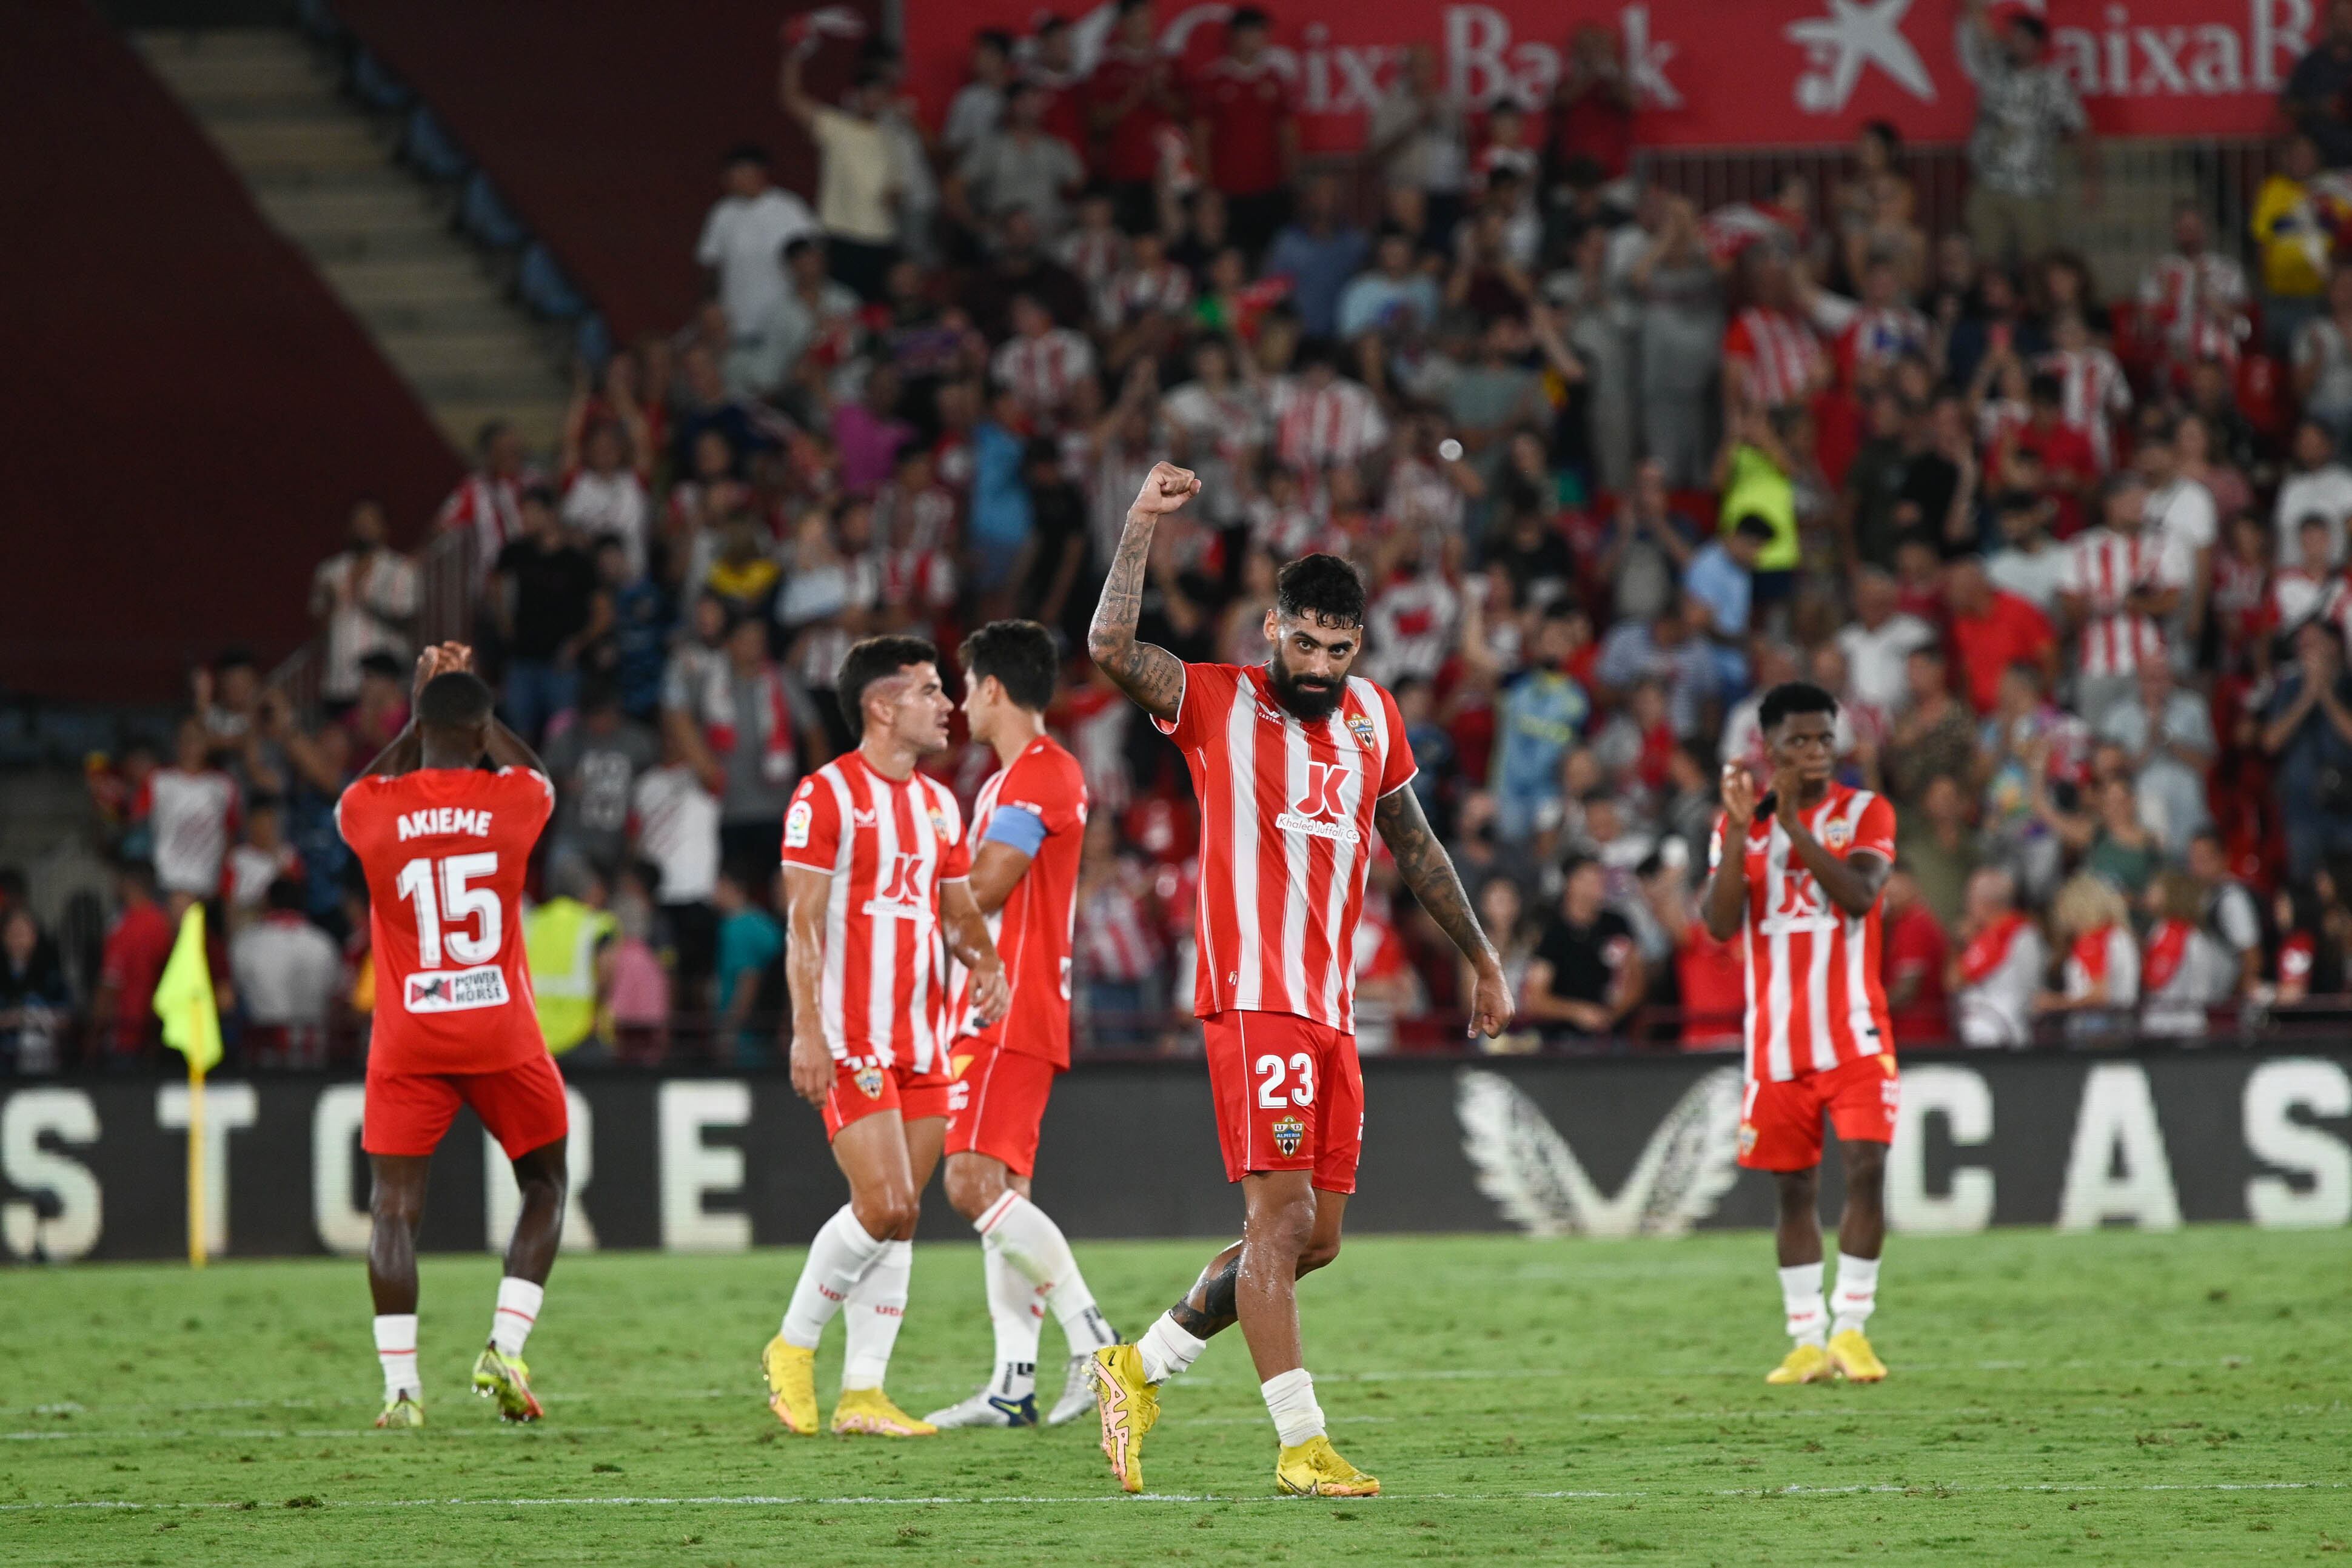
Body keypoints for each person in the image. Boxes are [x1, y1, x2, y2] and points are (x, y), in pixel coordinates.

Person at [1085, 464, 1512, 1497]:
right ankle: (1297, 1441)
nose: (1318, 663)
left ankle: (1136, 1365)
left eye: (1336, 647)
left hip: (1329, 1014)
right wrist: (1140, 523)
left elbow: (1412, 844)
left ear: (1356, 647)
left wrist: (1479, 955)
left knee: (1311, 1239)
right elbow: (1107, 649)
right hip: (1251, 1000)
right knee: (1274, 1223)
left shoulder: (1370, 717)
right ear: (1271, 629)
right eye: (1302, 641)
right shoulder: (1213, 700)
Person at [762, 637, 1010, 1439]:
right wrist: (807, 1030)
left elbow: (955, 904)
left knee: (903, 1218)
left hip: (924, 1034)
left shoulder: (938, 804)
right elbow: (800, 923)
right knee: (887, 1201)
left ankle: (862, 1391)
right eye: (930, 690)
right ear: (880, 705)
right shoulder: (825, 796)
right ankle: (792, 1348)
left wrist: (986, 961)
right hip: (850, 1034)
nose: (947, 705)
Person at [335, 645, 564, 1429]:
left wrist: (418, 708)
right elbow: (540, 780)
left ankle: (400, 1389)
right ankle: (504, 1343)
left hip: (409, 1035)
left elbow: (354, 792)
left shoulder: (373, 808)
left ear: (421, 724)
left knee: (392, 1210)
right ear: (480, 730)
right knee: (544, 1184)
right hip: (500, 1028)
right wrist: (483, 721)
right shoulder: (512, 802)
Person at [923, 622, 1121, 1430]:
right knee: (1003, 1194)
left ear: (994, 689)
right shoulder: (1008, 781)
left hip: (1010, 1006)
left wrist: (907, 880)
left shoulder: (1041, 773)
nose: (960, 701)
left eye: (966, 685)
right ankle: (1011, 1383)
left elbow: (991, 884)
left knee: (968, 1184)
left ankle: (1095, 1338)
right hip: (998, 1004)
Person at [1701, 681, 1897, 1387]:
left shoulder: (1865, 810)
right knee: (1793, 1190)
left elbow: (1859, 896)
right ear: (1770, 748)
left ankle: (1852, 1327)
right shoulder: (1740, 824)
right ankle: (1806, 1338)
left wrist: (1794, 827)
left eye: (1824, 739)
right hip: (1776, 1045)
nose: (1815, 752)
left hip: (1854, 1033)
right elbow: (1720, 925)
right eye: (1799, 741)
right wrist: (1734, 833)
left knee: (1868, 1170)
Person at [1956, 0, 2093, 267]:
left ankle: (2037, 307)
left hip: (2031, 187)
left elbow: (2081, 128)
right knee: (1983, 259)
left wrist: (2090, 178)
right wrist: (1975, 9)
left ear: (2037, 44)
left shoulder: (2053, 83)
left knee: (2038, 262)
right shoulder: (1997, 67)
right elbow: (1984, 32)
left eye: (2021, 38)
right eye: (2012, 36)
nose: (2014, 43)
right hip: (1989, 181)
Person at [778, 43, 900, 301]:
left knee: (876, 315)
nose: (873, 99)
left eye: (880, 94)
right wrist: (793, 56)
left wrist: (895, 197)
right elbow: (791, 98)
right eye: (868, 92)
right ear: (855, 95)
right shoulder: (836, 127)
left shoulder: (894, 138)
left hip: (881, 237)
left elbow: (897, 188)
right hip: (842, 236)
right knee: (842, 310)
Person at [2060, 473, 2186, 722]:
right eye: (2132, 500)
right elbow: (2071, 606)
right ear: (2111, 504)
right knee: (2097, 741)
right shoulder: (2082, 547)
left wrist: (2126, 603)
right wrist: (2118, 603)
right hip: (2097, 666)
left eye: (2142, 500)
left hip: (2149, 667)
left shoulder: (2163, 544)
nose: (2140, 507)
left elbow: (2172, 601)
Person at [494, 487, 603, 745]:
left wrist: (579, 644)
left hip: (561, 664)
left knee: (561, 738)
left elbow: (603, 612)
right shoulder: (515, 553)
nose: (526, 520)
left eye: (532, 512)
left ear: (551, 514)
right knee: (517, 736)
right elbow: (495, 591)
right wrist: (505, 626)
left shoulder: (577, 561)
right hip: (522, 660)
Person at [1191, 7, 1297, 258]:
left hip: (1269, 188)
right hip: (1227, 191)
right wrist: (1207, 185)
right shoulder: (1213, 81)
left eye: (1263, 34)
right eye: (1252, 33)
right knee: (1231, 257)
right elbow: (1200, 136)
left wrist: (1290, 175)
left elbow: (1287, 132)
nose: (1259, 40)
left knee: (1270, 255)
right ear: (1235, 37)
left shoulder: (1275, 79)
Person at [696, 144, 819, 349]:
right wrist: (711, 307)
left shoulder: (790, 208)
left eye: (738, 172)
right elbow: (710, 265)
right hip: (736, 324)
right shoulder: (722, 213)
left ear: (759, 173)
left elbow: (812, 261)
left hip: (784, 321)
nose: (732, 180)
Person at [310, 498, 419, 707]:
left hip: (385, 685)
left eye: (370, 521)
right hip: (339, 683)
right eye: (359, 521)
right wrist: (330, 605)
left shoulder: (400, 569)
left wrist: (368, 601)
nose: (364, 527)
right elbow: (318, 630)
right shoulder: (329, 571)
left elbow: (408, 620)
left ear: (384, 528)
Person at [1521, 856, 1646, 1039]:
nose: (1597, 885)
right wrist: (1578, 1013)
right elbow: (1535, 998)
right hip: (1563, 1040)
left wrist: (1611, 1015)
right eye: (1589, 879)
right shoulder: (1552, 930)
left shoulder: (1617, 924)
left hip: (1615, 1036)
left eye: (1600, 879)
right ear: (1570, 883)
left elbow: (1637, 978)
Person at [231, 877, 342, 1067]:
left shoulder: (246, 943)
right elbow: (337, 994)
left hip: (263, 1057)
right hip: (316, 1055)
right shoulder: (324, 943)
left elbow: (234, 993)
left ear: (268, 903)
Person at [524, 859, 617, 1061]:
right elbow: (606, 973)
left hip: (532, 1035)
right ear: (590, 890)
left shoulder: (531, 922)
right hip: (581, 1035)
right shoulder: (596, 925)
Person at [2038, 873, 2138, 1039]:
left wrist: (2053, 1003)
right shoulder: (2121, 935)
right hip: (2124, 1025)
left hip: (2096, 1029)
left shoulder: (2093, 940)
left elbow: (2099, 996)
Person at [2140, 872, 2236, 1037]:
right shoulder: (2167, 929)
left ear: (2172, 894)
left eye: (2155, 889)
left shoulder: (2178, 933)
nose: (2148, 893)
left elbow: (2155, 978)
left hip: (2177, 1024)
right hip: (2170, 1020)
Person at [1879, 862, 1950, 1047]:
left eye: (1895, 889)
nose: (1889, 896)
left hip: (1919, 1035)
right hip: (1911, 1033)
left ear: (1912, 887)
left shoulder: (1915, 924)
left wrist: (1867, 1007)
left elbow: (1907, 991)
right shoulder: (1899, 924)